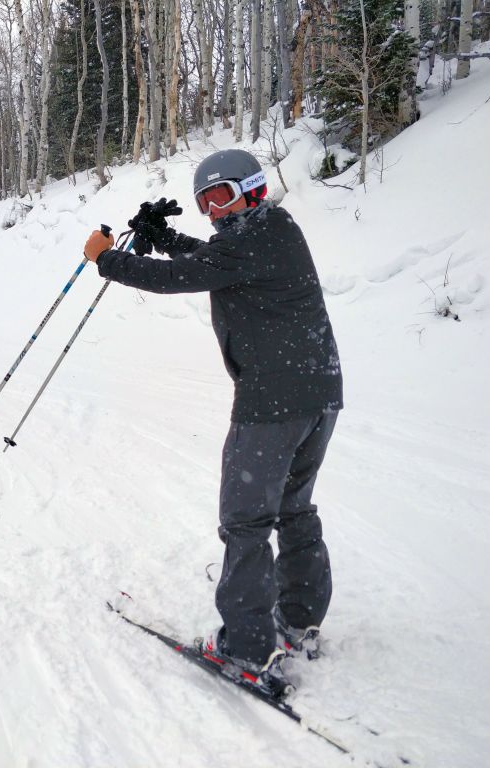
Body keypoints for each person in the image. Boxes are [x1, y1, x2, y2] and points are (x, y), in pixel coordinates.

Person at [84, 149, 343, 694]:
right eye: (204, 203)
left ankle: (247, 650)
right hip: (318, 393)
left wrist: (108, 259)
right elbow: (215, 259)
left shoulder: (251, 236)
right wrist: (170, 237)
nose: (212, 211)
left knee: (247, 520)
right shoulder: (272, 228)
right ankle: (298, 620)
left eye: (220, 197)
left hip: (273, 402)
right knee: (293, 507)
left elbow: (187, 275)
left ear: (252, 189)